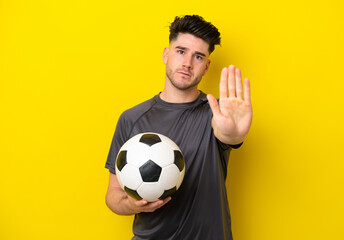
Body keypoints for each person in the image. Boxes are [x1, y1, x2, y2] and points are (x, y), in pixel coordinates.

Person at [105, 15, 253, 240]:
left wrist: (233, 135)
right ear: (166, 54)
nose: (187, 63)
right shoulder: (131, 118)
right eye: (181, 51)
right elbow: (113, 195)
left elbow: (226, 134)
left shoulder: (217, 114)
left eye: (198, 56)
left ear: (206, 67)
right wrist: (133, 205)